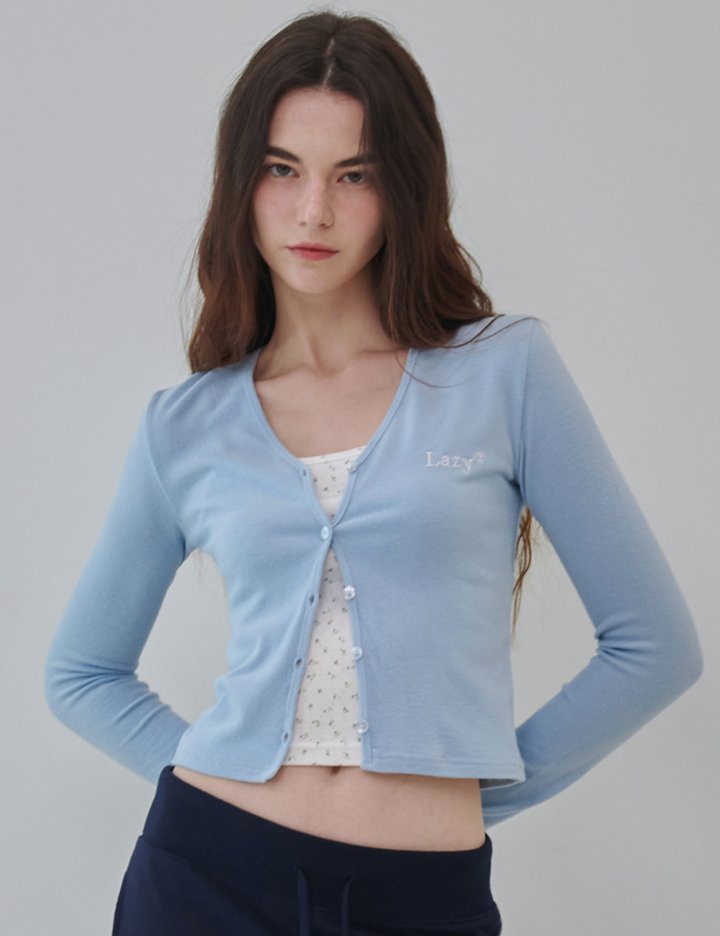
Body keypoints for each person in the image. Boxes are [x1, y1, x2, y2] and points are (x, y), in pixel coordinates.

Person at [44, 9, 704, 936]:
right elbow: (82, 672)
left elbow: (655, 647)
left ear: (404, 189)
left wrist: (476, 784)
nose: (313, 210)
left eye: (353, 175)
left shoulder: (502, 372)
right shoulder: (184, 425)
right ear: (240, 185)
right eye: (282, 169)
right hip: (204, 877)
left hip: (422, 896)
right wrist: (214, 773)